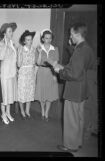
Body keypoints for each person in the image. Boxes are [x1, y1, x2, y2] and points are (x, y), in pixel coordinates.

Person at [48, 23, 96, 152]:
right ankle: (77, 142)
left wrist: (59, 70)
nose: (70, 36)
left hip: (74, 89)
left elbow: (73, 73)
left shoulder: (79, 50)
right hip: (82, 89)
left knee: (71, 119)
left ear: (77, 34)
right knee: (79, 118)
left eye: (71, 34)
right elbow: (80, 69)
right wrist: (65, 67)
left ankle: (70, 145)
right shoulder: (88, 48)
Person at [34, 29, 59, 122]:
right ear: (43, 39)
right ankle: (42, 110)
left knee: (50, 94)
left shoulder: (55, 49)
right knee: (41, 94)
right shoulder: (39, 48)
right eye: (46, 38)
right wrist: (40, 52)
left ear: (52, 39)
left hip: (51, 72)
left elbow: (55, 62)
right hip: (41, 72)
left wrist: (54, 75)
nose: (48, 40)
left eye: (50, 38)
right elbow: (38, 62)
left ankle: (47, 112)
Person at [0, 22, 18, 124]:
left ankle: (8, 113)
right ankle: (3, 114)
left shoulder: (12, 43)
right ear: (4, 33)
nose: (11, 33)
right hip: (4, 73)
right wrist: (5, 44)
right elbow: (0, 57)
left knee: (10, 94)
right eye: (9, 31)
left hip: (12, 72)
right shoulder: (1, 44)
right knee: (4, 94)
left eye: (12, 31)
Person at [17, 30, 37, 119]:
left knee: (29, 92)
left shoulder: (34, 49)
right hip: (23, 73)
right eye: (28, 40)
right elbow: (18, 64)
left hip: (31, 73)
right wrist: (19, 54)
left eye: (31, 39)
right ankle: (22, 111)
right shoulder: (20, 49)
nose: (30, 41)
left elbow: (35, 62)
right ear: (24, 41)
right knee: (22, 93)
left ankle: (27, 111)